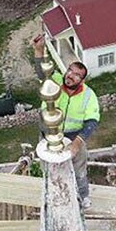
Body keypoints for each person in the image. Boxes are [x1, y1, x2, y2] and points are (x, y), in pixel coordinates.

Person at [32, 33, 100, 210]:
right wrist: (38, 50)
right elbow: (42, 71)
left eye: (77, 75)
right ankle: (51, 195)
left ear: (82, 80)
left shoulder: (88, 96)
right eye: (70, 71)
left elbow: (92, 122)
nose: (70, 76)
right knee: (49, 170)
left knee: (79, 172)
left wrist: (78, 143)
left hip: (73, 137)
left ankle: (84, 197)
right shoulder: (54, 81)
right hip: (49, 136)